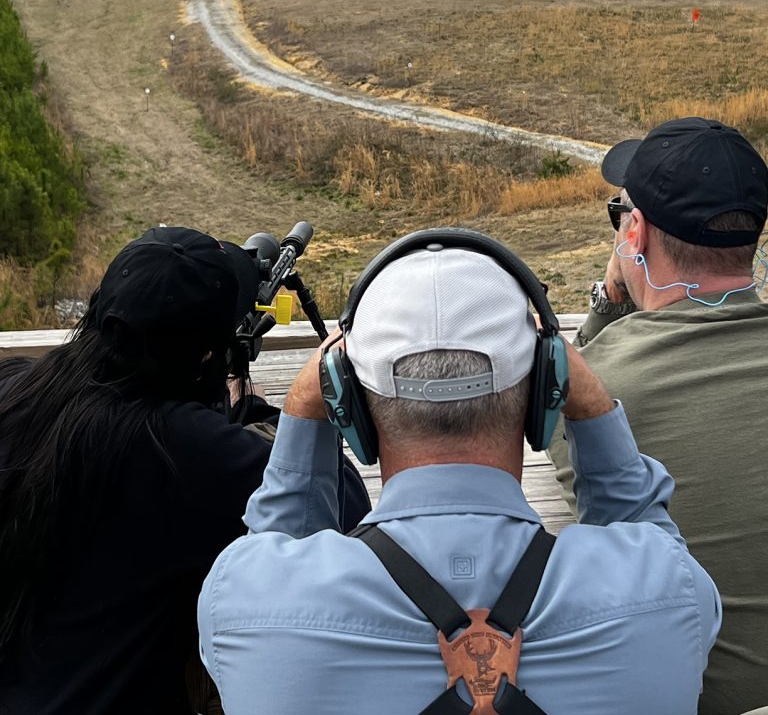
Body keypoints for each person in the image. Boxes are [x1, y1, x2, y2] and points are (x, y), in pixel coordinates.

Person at [199, 229, 721, 715]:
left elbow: (274, 559)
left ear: (349, 408)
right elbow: (645, 538)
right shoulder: (669, 590)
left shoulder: (244, 597)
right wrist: (595, 406)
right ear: (546, 392)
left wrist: (300, 409)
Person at [0, 226, 369, 715]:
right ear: (204, 357)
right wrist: (251, 411)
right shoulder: (181, 451)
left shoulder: (17, 387)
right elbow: (343, 502)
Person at [547, 116, 768, 715]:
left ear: (635, 233)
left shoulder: (602, 388)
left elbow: (575, 380)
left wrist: (607, 300)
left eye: (619, 213)